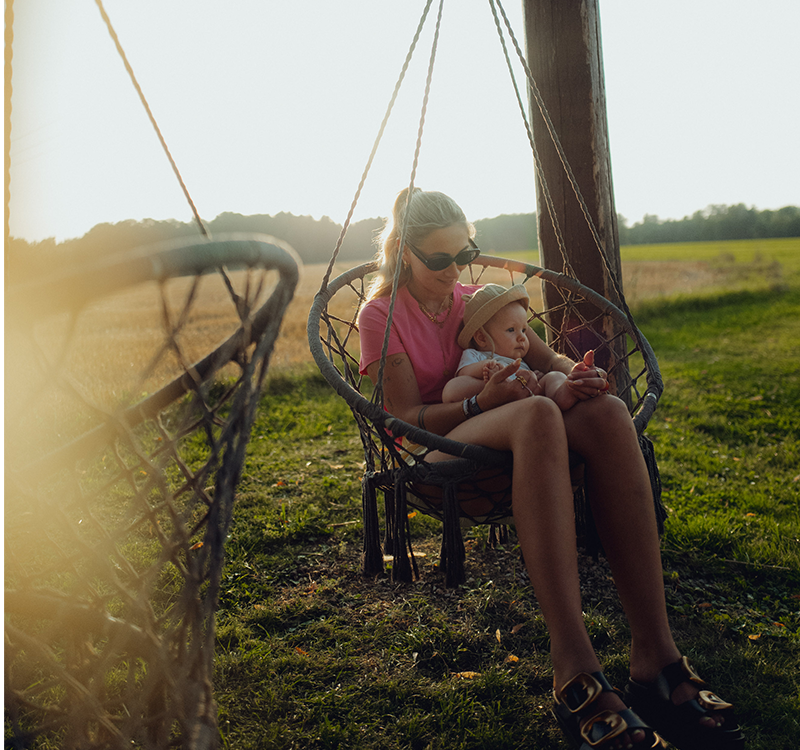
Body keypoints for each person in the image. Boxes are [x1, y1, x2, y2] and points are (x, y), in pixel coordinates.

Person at [357, 187, 744, 750]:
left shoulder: (478, 301)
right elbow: (407, 416)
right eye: (439, 259)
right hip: (430, 449)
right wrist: (477, 404)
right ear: (404, 253)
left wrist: (578, 375)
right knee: (537, 412)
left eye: (464, 254)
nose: (453, 270)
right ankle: (575, 672)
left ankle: (655, 661)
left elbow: (549, 361)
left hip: (509, 428)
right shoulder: (381, 315)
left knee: (606, 412)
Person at [441, 283, 584, 413]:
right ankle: (510, 390)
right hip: (496, 406)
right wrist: (486, 368)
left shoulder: (519, 361)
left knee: (554, 376)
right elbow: (463, 372)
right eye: (511, 330)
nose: (522, 337)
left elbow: (546, 364)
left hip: (530, 399)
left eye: (523, 330)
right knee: (452, 388)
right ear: (482, 338)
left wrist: (533, 377)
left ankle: (563, 392)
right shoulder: (477, 355)